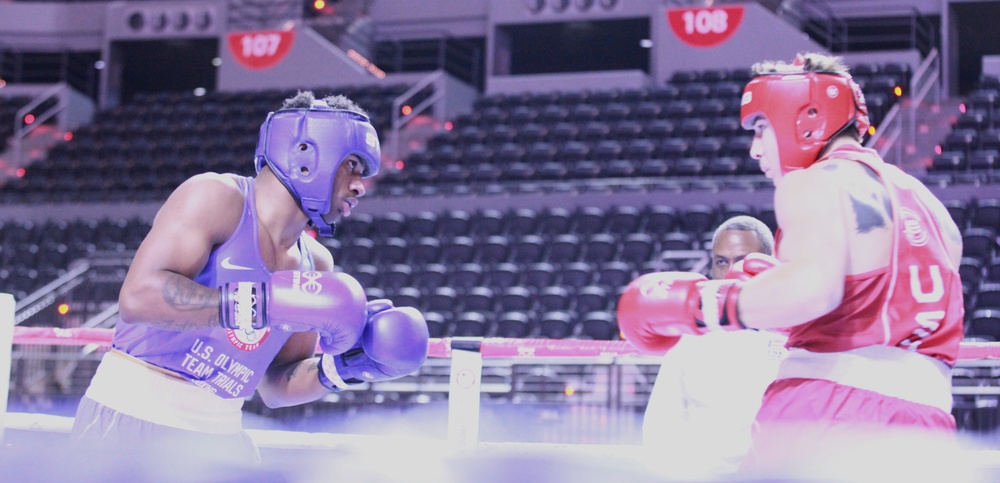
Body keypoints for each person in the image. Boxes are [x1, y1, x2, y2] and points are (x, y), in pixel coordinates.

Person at [619, 53, 964, 478]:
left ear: (807, 117)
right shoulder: (933, 211)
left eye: (761, 127)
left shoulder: (817, 181)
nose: (755, 148)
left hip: (828, 415)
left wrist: (701, 304)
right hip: (927, 429)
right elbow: (875, 312)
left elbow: (814, 291)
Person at [70, 92, 430, 466]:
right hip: (132, 422)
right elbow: (139, 298)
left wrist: (344, 369)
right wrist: (260, 304)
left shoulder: (316, 264)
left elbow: (276, 384)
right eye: (352, 165)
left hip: (221, 440)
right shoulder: (216, 198)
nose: (360, 186)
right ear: (308, 151)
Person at [632, 216, 787, 479]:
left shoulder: (794, 335)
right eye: (721, 262)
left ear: (768, 262)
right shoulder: (690, 339)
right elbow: (661, 424)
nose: (730, 273)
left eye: (742, 261)